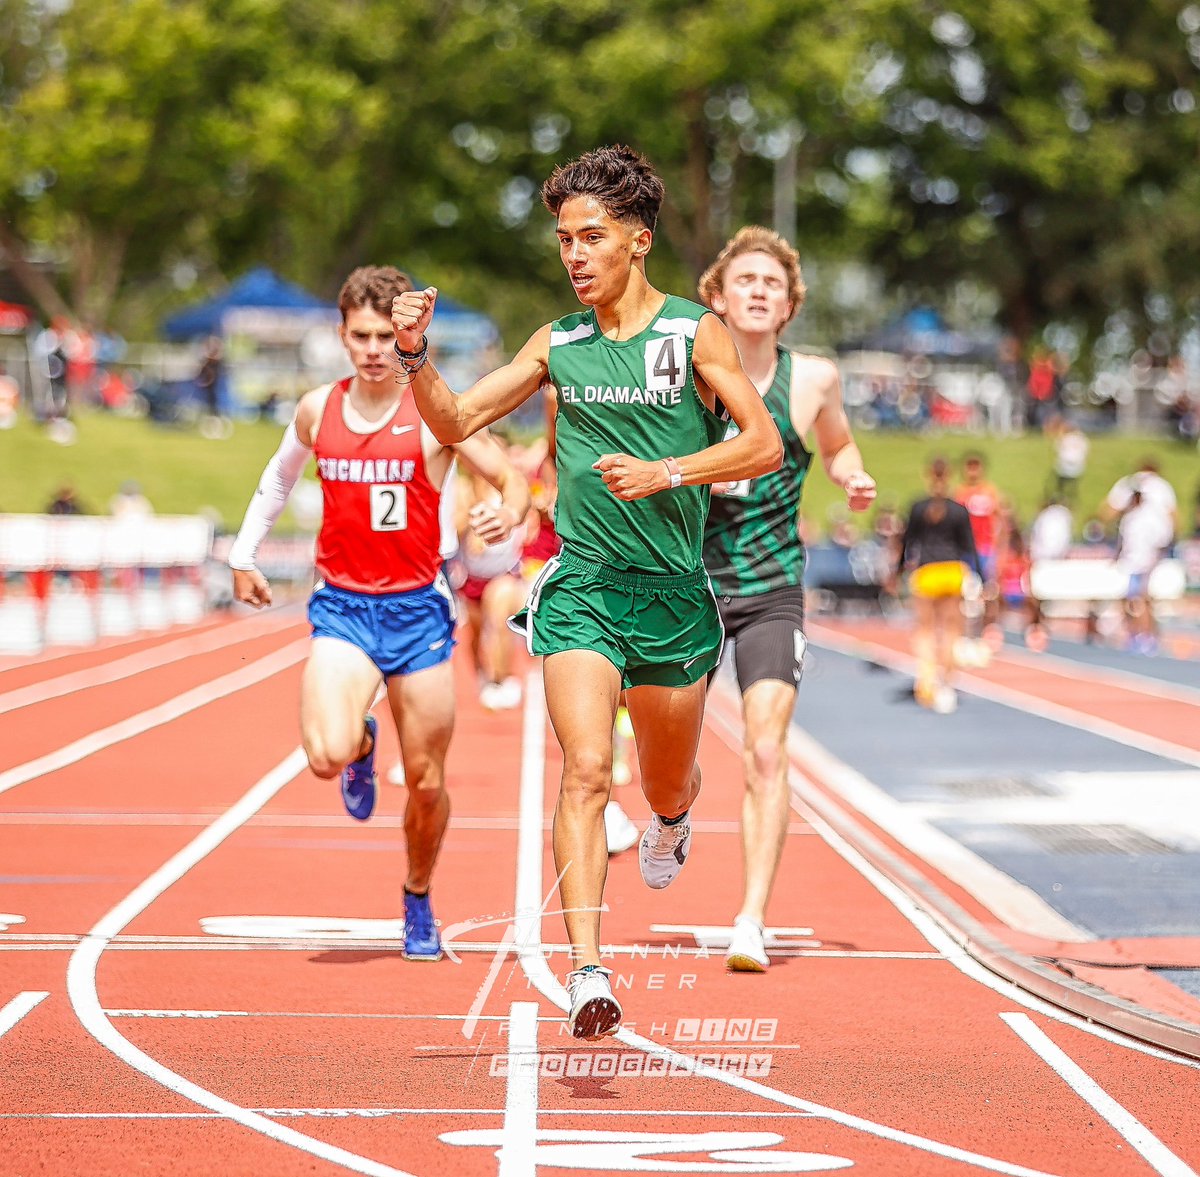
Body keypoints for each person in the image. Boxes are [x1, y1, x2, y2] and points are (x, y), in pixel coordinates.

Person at [389, 145, 783, 1038]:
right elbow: (454, 420)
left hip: (676, 598)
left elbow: (760, 445)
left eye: (591, 237)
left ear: (638, 241)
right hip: (584, 592)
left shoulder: (693, 334)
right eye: (564, 238)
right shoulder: (556, 343)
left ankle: (675, 820)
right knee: (587, 770)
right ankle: (589, 972)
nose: (573, 255)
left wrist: (669, 470)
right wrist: (416, 355)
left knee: (665, 778)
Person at [228, 265, 530, 963]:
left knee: (426, 784)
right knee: (325, 755)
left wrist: (505, 511)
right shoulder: (315, 409)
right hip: (342, 608)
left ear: (405, 335)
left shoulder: (432, 411)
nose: (372, 348)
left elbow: (510, 475)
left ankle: (418, 893)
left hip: (419, 613)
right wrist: (244, 554)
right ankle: (363, 743)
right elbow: (279, 476)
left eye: (385, 335)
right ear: (341, 334)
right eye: (360, 335)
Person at [696, 226, 876, 973]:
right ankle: (669, 815)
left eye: (773, 281)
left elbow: (836, 444)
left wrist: (851, 475)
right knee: (660, 759)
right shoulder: (688, 374)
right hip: (690, 585)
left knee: (766, 749)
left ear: (791, 302)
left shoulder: (814, 380)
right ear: (718, 296)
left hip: (771, 587)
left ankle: (750, 919)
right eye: (746, 280)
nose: (760, 290)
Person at [896, 457, 981, 714]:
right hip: (953, 572)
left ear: (928, 476)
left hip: (927, 573)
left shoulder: (919, 507)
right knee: (952, 631)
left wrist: (897, 571)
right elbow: (969, 548)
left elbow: (907, 544)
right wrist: (983, 578)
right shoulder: (958, 510)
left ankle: (926, 680)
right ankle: (946, 682)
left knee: (926, 631)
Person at [1114, 488, 1174, 653]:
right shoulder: (1130, 518)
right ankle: (1135, 633)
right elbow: (1123, 541)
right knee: (1129, 602)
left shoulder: (1150, 518)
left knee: (1143, 601)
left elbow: (1163, 540)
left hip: (1146, 563)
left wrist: (1154, 561)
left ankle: (1147, 636)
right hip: (1131, 563)